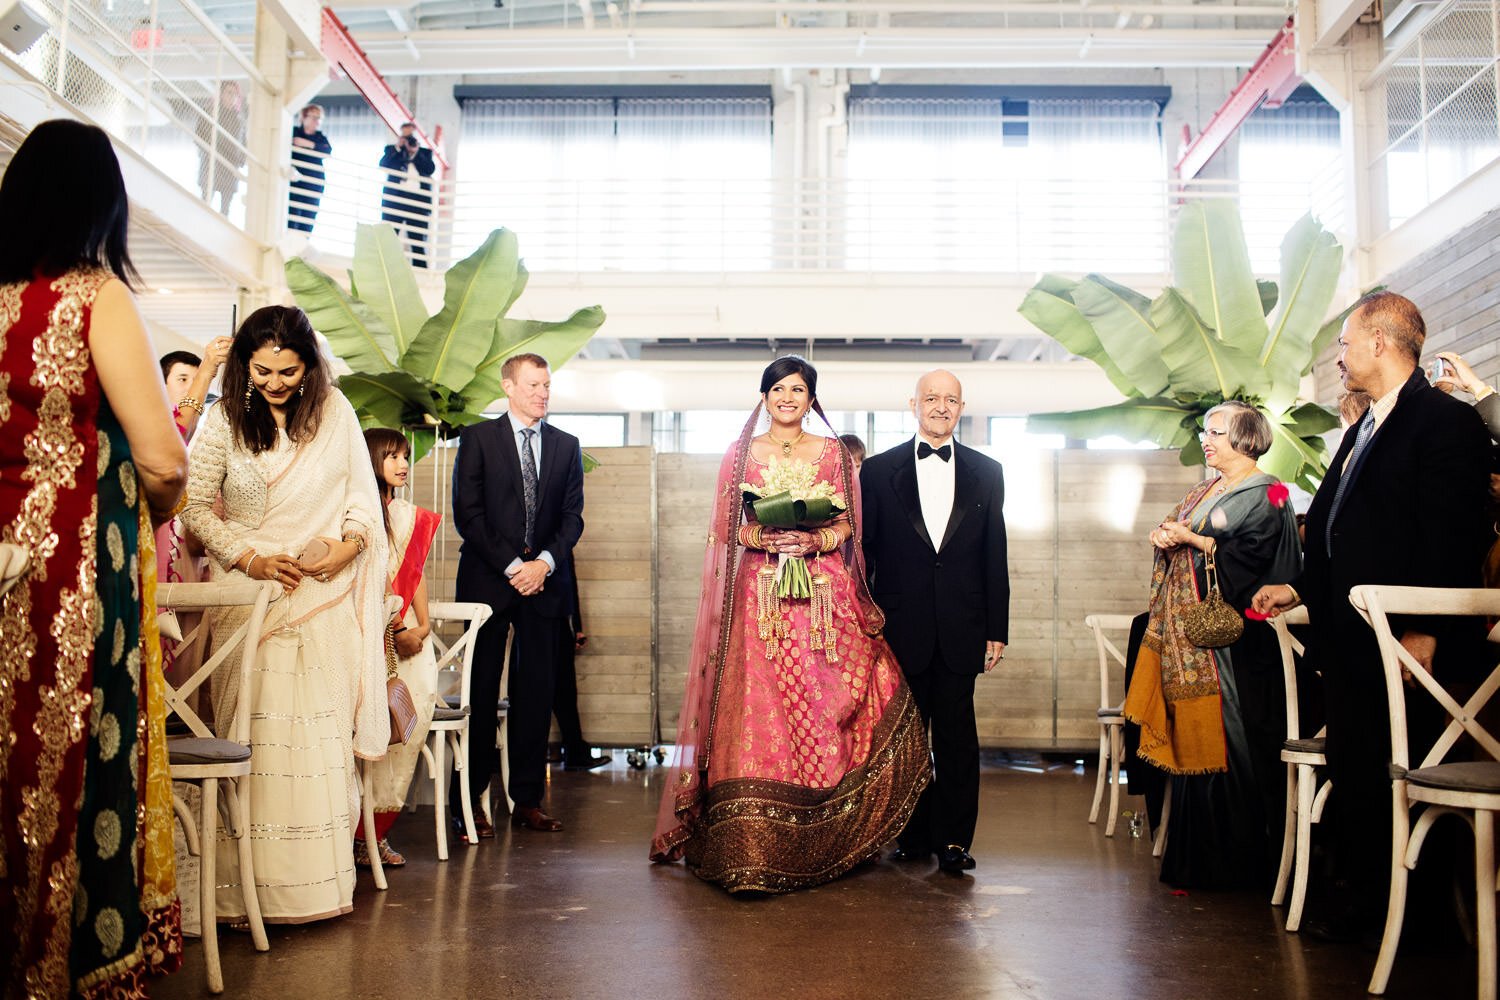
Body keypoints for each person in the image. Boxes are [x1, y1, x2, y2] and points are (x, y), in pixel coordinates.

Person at [0, 118, 187, 997]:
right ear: (102, 204)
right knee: (70, 770)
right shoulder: (93, 297)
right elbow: (160, 456)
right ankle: (65, 967)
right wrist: (159, 510)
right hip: (69, 578)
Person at [1252, 291, 1492, 941]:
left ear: (1379, 343)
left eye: (1345, 343)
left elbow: (1455, 537)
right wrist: (1299, 591)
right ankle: (1368, 904)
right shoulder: (1366, 425)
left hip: (1407, 645)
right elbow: (1334, 523)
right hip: (1353, 641)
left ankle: (1417, 920)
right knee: (1359, 773)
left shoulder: (1446, 423)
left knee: (1398, 775)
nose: (1339, 357)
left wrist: (1426, 629)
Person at [650, 355, 931, 893]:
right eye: (778, 388)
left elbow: (849, 525)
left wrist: (812, 540)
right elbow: (728, 526)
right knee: (758, 710)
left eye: (798, 390)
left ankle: (827, 832)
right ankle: (751, 847)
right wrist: (767, 538)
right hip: (760, 602)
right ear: (763, 396)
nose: (787, 398)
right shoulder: (739, 455)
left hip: (822, 600)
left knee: (829, 701)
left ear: (811, 399)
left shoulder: (832, 455)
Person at [179, 305, 389, 924]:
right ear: (244, 363)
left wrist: (345, 548)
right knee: (259, 737)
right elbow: (193, 507)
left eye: (288, 372)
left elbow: (360, 499)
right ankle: (242, 892)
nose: (273, 382)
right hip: (247, 596)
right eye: (262, 370)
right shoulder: (222, 419)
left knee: (313, 738)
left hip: (319, 593)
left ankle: (312, 890)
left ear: (310, 367)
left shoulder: (335, 415)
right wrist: (251, 557)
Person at [1123, 401, 1301, 889]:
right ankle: (1200, 864)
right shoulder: (1207, 489)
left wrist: (1193, 540)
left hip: (1238, 639)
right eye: (1206, 430)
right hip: (1195, 638)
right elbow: (1181, 527)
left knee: (1234, 744)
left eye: (1217, 432)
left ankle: (1243, 867)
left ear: (1246, 439)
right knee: (1195, 742)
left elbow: (1254, 556)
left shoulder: (1270, 490)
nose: (1208, 439)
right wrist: (1166, 534)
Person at [860, 369, 1009, 874]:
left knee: (957, 738)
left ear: (961, 408)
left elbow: (995, 554)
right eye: (932, 398)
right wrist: (865, 620)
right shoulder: (878, 471)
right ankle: (912, 834)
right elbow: (866, 555)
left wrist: (997, 628)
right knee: (905, 736)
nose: (941, 407)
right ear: (914, 404)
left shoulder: (988, 471)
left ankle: (953, 840)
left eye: (951, 400)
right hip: (899, 626)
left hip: (964, 624)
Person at [452, 352, 584, 835]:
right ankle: (470, 801)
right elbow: (469, 515)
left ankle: (527, 800)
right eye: (533, 385)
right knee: (481, 692)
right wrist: (514, 567)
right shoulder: (477, 439)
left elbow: (573, 519)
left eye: (547, 385)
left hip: (546, 587)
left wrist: (543, 564)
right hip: (490, 582)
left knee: (535, 696)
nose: (542, 393)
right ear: (508, 387)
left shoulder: (567, 446)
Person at [360, 428, 442, 868]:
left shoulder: (411, 515)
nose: (403, 464)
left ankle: (378, 833)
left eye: (405, 456)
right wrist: (393, 632)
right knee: (371, 731)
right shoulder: (354, 514)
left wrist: (423, 626)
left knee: (409, 726)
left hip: (411, 630)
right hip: (373, 633)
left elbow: (419, 573)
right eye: (391, 456)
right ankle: (354, 835)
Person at [554, 555, 611, 770]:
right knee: (561, 693)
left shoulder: (563, 542)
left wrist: (576, 627)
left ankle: (575, 752)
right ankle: (575, 752)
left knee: (565, 694)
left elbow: (570, 585)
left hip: (561, 624)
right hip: (542, 621)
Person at [379, 123, 437, 268]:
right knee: (388, 239)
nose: (408, 139)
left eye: (410, 135)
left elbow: (430, 169)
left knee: (418, 241)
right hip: (395, 200)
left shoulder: (424, 153)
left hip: (418, 202)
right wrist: (398, 148)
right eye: (405, 136)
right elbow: (383, 164)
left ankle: (421, 273)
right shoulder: (392, 150)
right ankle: (384, 269)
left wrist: (415, 152)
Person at [160, 336, 231, 439]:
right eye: (183, 379)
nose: (191, 387)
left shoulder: (206, 436)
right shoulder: (146, 421)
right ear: (162, 383)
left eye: (196, 381)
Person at [196, 81, 247, 215]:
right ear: (221, 94)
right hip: (211, 164)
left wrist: (241, 160)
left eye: (235, 94)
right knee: (205, 205)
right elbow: (199, 135)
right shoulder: (209, 112)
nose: (232, 97)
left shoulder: (239, 119)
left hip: (230, 168)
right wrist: (210, 151)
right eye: (229, 93)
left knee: (225, 210)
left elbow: (243, 143)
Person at [289, 103, 332, 234]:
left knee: (308, 221)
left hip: (314, 184)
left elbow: (327, 150)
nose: (316, 121)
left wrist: (307, 144)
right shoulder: (293, 132)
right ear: (303, 117)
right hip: (294, 183)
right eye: (313, 117)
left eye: (319, 118)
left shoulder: (320, 138)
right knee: (291, 218)